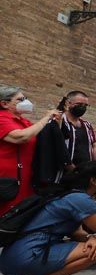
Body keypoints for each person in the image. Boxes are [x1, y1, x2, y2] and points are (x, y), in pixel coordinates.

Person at [0, 85, 62, 216]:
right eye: (20, 99)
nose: (25, 102)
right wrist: (45, 117)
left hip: (25, 176)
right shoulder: (2, 119)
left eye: (25, 98)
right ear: (4, 104)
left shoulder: (23, 121)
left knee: (20, 214)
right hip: (6, 179)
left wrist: (55, 123)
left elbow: (41, 137)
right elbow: (21, 137)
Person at [58, 90, 96, 169]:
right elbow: (56, 146)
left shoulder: (87, 125)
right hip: (63, 172)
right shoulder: (58, 121)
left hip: (85, 172)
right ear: (68, 103)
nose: (82, 107)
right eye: (79, 104)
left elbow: (94, 145)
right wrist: (72, 168)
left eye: (85, 105)